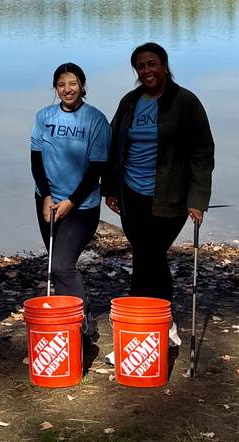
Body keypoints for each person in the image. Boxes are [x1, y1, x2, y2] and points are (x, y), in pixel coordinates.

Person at [104, 42, 214, 319]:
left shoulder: (185, 102)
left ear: (165, 66)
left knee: (151, 254)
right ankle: (146, 322)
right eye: (140, 66)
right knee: (144, 255)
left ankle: (152, 319)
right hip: (131, 194)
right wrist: (109, 188)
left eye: (152, 64)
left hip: (171, 196)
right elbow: (114, 143)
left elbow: (202, 152)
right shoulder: (130, 102)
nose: (146, 70)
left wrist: (198, 200)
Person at [31, 62, 110, 342]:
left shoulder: (96, 120)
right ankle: (66, 324)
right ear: (56, 89)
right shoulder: (43, 117)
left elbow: (97, 168)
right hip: (48, 202)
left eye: (73, 83)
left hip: (81, 207)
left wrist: (71, 202)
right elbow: (36, 160)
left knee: (61, 265)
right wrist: (47, 196)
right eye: (62, 84)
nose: (68, 89)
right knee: (55, 262)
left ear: (83, 86)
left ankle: (84, 322)